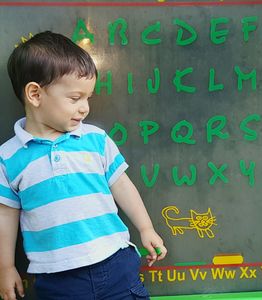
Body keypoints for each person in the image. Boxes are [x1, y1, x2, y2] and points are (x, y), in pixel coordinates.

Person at [0, 31, 167, 300]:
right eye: (75, 98)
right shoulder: (9, 158)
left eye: (88, 98)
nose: (85, 108)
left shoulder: (95, 140)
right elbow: (5, 216)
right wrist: (5, 267)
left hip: (115, 264)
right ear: (35, 93)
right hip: (58, 279)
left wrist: (146, 228)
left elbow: (122, 185)